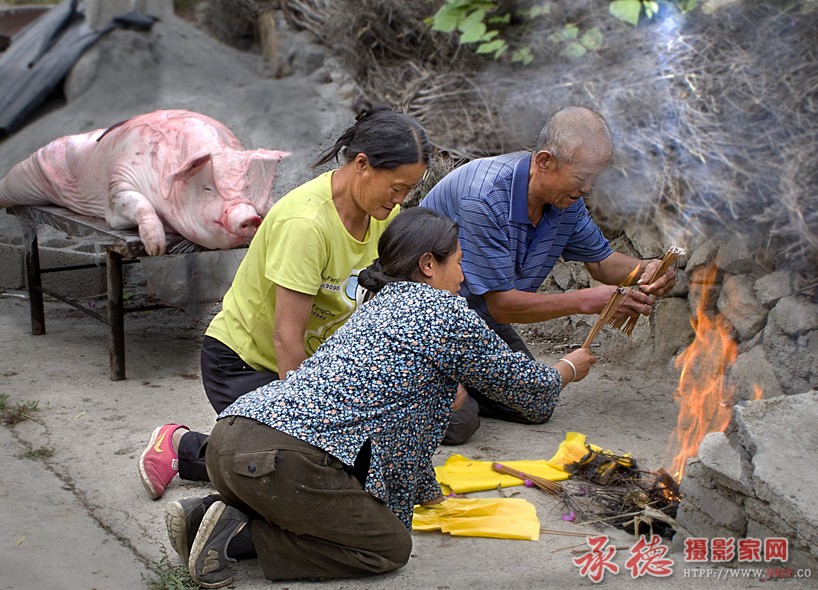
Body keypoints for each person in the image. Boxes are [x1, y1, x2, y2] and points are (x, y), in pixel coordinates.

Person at [167, 207, 595, 587]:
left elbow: (396, 429)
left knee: (341, 495)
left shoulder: (375, 307)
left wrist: (425, 490)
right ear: (429, 264)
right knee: (387, 547)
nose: (463, 278)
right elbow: (530, 391)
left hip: (228, 441)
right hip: (277, 461)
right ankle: (239, 536)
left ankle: (201, 514)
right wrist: (570, 368)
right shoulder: (443, 313)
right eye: (459, 264)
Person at [138, 102, 431, 500]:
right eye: (397, 188)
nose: (400, 200)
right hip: (245, 362)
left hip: (315, 365)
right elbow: (286, 339)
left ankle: (259, 450)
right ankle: (182, 447)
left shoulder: (379, 214)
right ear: (362, 164)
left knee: (364, 464)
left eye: (408, 191)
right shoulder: (306, 224)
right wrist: (313, 423)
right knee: (305, 464)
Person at [420, 106, 677, 444]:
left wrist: (647, 269)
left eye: (594, 179)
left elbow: (601, 262)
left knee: (537, 404)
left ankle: (467, 377)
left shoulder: (565, 201)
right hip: (432, 322)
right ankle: (445, 379)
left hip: (480, 321)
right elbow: (502, 306)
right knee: (460, 423)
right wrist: (587, 301)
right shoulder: (483, 197)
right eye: (581, 177)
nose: (588, 189)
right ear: (544, 161)